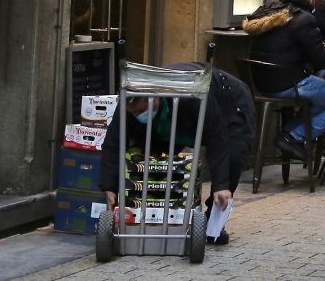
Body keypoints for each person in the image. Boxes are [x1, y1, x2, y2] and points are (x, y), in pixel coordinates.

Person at [100, 66, 254, 245]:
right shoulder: (127, 104)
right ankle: (153, 210)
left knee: (232, 156)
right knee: (148, 153)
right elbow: (113, 143)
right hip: (175, 117)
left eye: (141, 112)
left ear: (154, 98)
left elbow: (217, 139)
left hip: (226, 100)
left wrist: (221, 185)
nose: (138, 115)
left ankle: (214, 223)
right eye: (134, 113)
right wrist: (109, 186)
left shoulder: (194, 99)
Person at [243, 0, 325, 161]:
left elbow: (287, 45)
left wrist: (321, 48)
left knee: (323, 98)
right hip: (289, 84)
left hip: (261, 83)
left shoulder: (272, 11)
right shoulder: (304, 19)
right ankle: (293, 136)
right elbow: (324, 61)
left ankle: (290, 132)